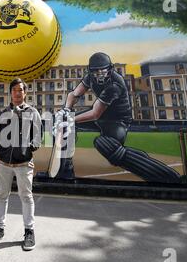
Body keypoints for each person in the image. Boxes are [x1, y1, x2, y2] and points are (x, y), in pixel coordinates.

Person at [54, 52, 180, 183]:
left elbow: (95, 113)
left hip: (117, 121)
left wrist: (69, 118)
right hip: (101, 118)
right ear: (91, 71)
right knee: (64, 125)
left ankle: (156, 171)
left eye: (103, 70)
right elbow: (74, 94)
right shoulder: (89, 77)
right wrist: (66, 110)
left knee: (106, 146)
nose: (99, 74)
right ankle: (65, 170)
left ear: (110, 69)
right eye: (96, 71)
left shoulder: (115, 85)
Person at [0, 78, 42, 251]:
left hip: (23, 164)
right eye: (14, 90)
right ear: (11, 93)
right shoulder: (4, 113)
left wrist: (29, 149)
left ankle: (29, 231)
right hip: (3, 164)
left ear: (25, 92)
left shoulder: (33, 112)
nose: (17, 92)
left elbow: (38, 135)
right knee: (1, 195)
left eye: (20, 89)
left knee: (26, 197)